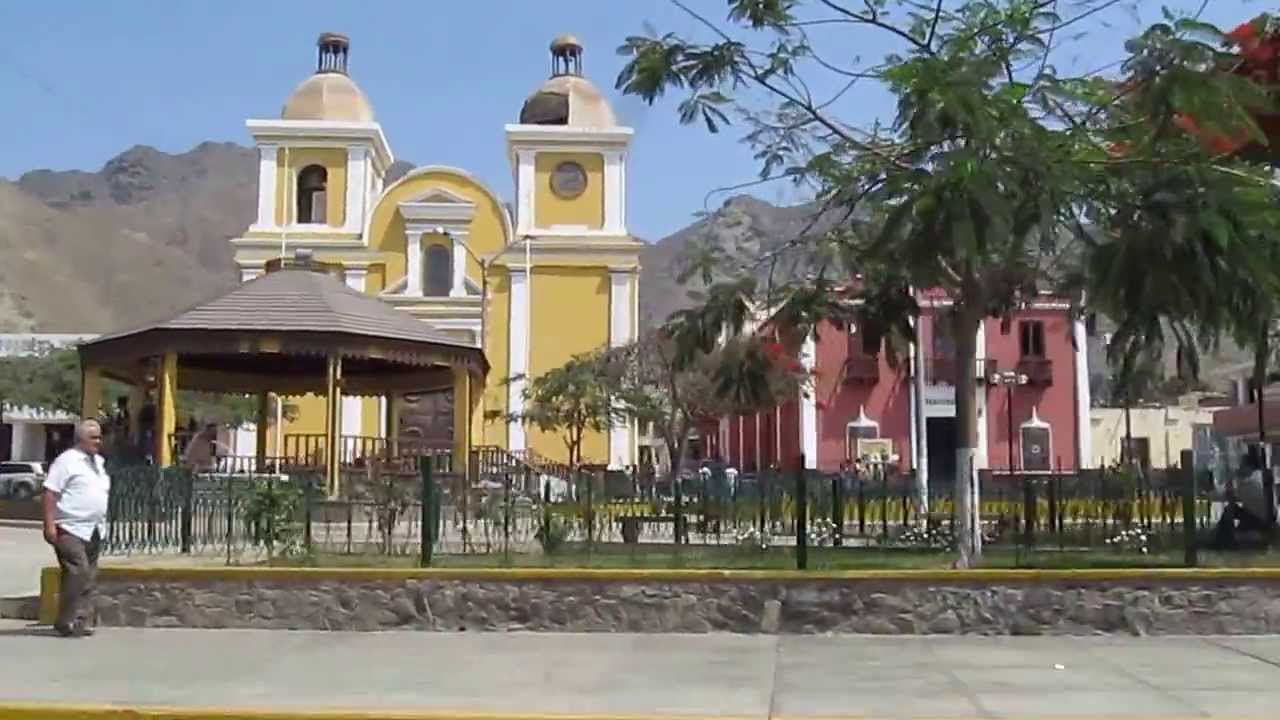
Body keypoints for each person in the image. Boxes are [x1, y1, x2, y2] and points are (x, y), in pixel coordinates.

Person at [42, 419, 110, 638]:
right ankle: (66, 619)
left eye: (99, 437)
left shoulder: (98, 462)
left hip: (94, 528)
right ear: (80, 438)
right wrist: (49, 525)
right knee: (78, 571)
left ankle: (82, 620)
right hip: (69, 527)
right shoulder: (66, 461)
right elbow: (50, 493)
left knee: (89, 576)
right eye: (93, 437)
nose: (98, 441)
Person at [1211, 447, 1275, 550]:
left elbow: (1225, 496)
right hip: (1264, 517)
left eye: (1242, 465)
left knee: (1230, 509)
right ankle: (1224, 538)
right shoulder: (1259, 477)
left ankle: (1220, 541)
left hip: (1260, 520)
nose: (1239, 468)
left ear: (1249, 467)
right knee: (1234, 510)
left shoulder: (1248, 484)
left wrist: (1231, 478)